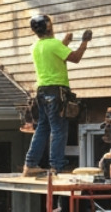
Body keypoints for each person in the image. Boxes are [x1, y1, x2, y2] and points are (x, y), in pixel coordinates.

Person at [23, 13, 91, 176]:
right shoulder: (54, 45)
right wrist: (84, 42)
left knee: (43, 128)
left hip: (41, 91)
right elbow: (75, 58)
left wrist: (65, 42)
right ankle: (56, 167)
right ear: (48, 26)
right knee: (59, 129)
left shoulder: (36, 46)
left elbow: (54, 55)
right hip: (56, 92)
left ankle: (30, 165)